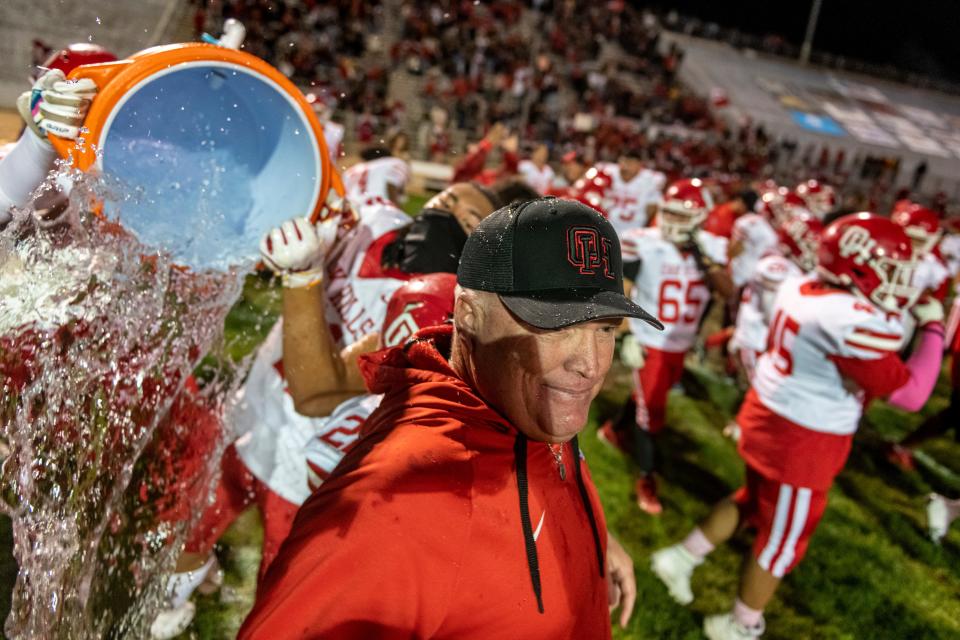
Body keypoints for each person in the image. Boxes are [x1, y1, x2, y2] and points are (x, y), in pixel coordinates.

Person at [239, 198, 658, 639]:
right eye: (555, 327)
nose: (591, 365)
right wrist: (303, 278)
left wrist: (584, 537)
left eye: (606, 329)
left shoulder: (530, 395)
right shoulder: (403, 500)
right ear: (467, 314)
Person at [650, 213, 945, 639]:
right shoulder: (850, 320)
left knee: (752, 501)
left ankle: (680, 557)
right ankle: (738, 625)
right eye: (891, 270)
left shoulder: (803, 284)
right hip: (802, 441)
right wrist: (934, 327)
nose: (900, 281)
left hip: (768, 416)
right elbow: (911, 395)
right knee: (781, 541)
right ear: (859, 267)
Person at [602, 178, 733, 515]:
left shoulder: (712, 247)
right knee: (652, 415)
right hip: (651, 340)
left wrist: (702, 256)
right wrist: (627, 332)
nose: (672, 222)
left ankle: (614, 431)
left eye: (681, 215)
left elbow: (727, 291)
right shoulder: (642, 242)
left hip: (680, 342)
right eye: (669, 213)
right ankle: (647, 479)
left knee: (647, 398)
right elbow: (624, 286)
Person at [592, 146, 666, 237]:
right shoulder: (606, 172)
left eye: (630, 163)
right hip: (602, 228)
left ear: (639, 165)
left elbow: (653, 210)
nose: (626, 167)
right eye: (623, 162)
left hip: (633, 232)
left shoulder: (651, 180)